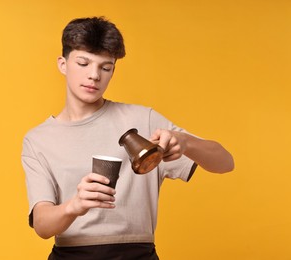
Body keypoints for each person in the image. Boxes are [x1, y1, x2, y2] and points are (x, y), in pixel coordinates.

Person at [21, 16, 234, 259]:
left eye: (106, 67)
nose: (94, 75)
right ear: (62, 64)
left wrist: (185, 142)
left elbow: (225, 163)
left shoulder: (144, 121)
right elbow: (42, 225)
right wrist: (75, 205)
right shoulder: (39, 139)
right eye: (83, 63)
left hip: (137, 254)